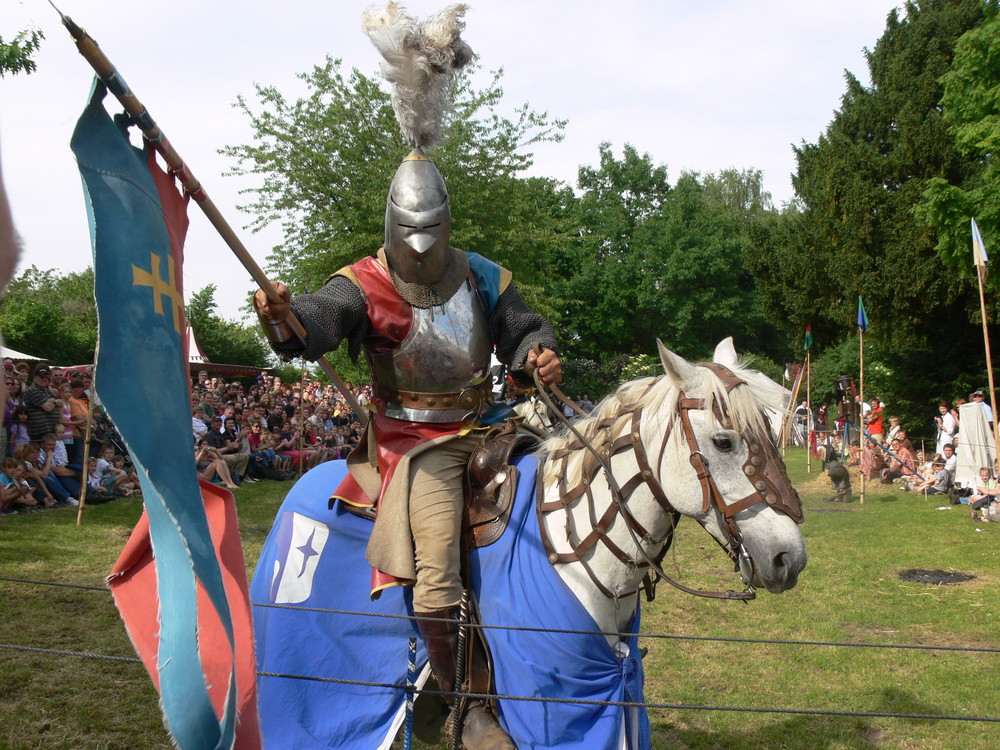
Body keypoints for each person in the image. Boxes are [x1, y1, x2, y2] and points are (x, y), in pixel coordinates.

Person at [254, 144, 559, 748]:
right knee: (436, 564)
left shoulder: (481, 275)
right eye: (409, 231)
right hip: (414, 440)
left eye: (431, 231)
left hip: (489, 420)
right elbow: (313, 323)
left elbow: (525, 329)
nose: (420, 245)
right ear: (390, 222)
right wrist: (282, 317)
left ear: (448, 222)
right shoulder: (361, 284)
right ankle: (467, 708)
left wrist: (536, 356)